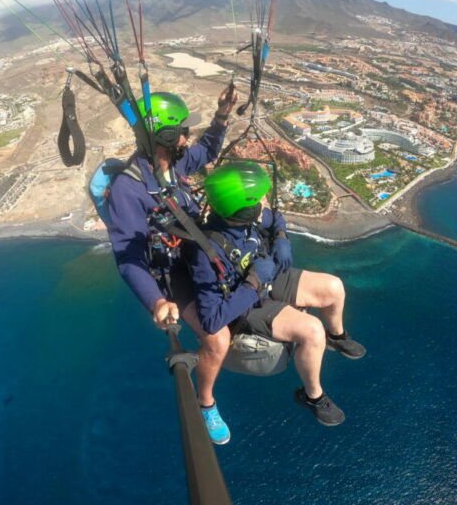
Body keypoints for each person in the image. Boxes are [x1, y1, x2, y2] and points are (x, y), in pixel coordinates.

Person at [188, 161, 366, 433]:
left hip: (265, 276)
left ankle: (337, 336)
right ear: (246, 208)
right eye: (260, 198)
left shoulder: (249, 218)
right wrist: (254, 282)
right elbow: (212, 320)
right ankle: (313, 395)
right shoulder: (207, 252)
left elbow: (274, 217)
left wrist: (281, 237)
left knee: (333, 287)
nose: (264, 201)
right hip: (245, 303)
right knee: (311, 330)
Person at [106, 88, 238, 442]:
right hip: (174, 274)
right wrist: (157, 300)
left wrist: (222, 114)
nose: (187, 135)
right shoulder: (127, 189)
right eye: (181, 129)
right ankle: (206, 403)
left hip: (202, 256)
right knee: (217, 339)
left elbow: (208, 149)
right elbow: (128, 256)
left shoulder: (174, 163)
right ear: (164, 135)